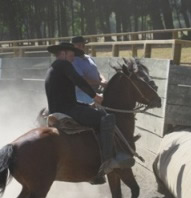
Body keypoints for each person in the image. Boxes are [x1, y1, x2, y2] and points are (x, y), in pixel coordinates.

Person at [45, 42, 133, 184]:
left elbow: (64, 97)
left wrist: (87, 105)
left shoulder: (54, 67)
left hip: (61, 108)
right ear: (63, 53)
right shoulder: (64, 65)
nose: (73, 57)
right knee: (106, 118)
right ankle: (108, 160)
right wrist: (95, 96)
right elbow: (79, 81)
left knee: (93, 112)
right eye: (71, 54)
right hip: (68, 109)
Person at [71, 36, 108, 104]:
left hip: (96, 89)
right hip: (83, 92)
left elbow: (97, 72)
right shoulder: (73, 61)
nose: (81, 47)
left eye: (83, 45)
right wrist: (100, 83)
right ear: (73, 47)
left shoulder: (88, 57)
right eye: (79, 45)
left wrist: (103, 80)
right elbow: (82, 80)